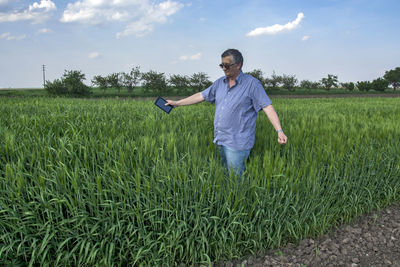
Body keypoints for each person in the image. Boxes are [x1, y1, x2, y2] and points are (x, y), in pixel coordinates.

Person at [165, 48, 287, 175]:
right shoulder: (219, 83)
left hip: (237, 143)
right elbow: (201, 96)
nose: (224, 68)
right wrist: (177, 103)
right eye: (221, 65)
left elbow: (267, 107)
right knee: (223, 175)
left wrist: (279, 131)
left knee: (235, 180)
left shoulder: (252, 84)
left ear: (239, 65)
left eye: (227, 65)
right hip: (220, 139)